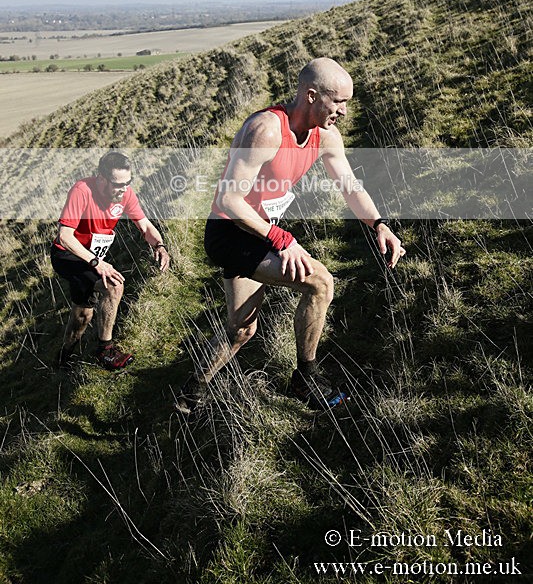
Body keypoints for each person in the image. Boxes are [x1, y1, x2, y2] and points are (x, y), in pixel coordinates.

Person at [175, 57, 405, 414]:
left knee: (241, 331)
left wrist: (379, 224)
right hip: (230, 233)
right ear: (311, 96)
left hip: (262, 234)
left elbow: (349, 185)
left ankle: (194, 388)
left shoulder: (326, 136)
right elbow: (229, 199)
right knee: (321, 283)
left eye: (347, 103)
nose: (344, 111)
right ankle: (306, 378)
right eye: (338, 102)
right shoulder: (266, 130)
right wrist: (282, 239)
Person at [51, 151, 170, 370]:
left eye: (128, 182)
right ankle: (105, 351)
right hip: (68, 256)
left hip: (92, 257)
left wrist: (159, 245)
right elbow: (65, 237)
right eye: (118, 184)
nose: (124, 189)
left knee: (82, 315)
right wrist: (97, 263)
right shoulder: (82, 190)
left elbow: (144, 225)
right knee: (114, 286)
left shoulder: (125, 194)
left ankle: (62, 358)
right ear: (101, 178)